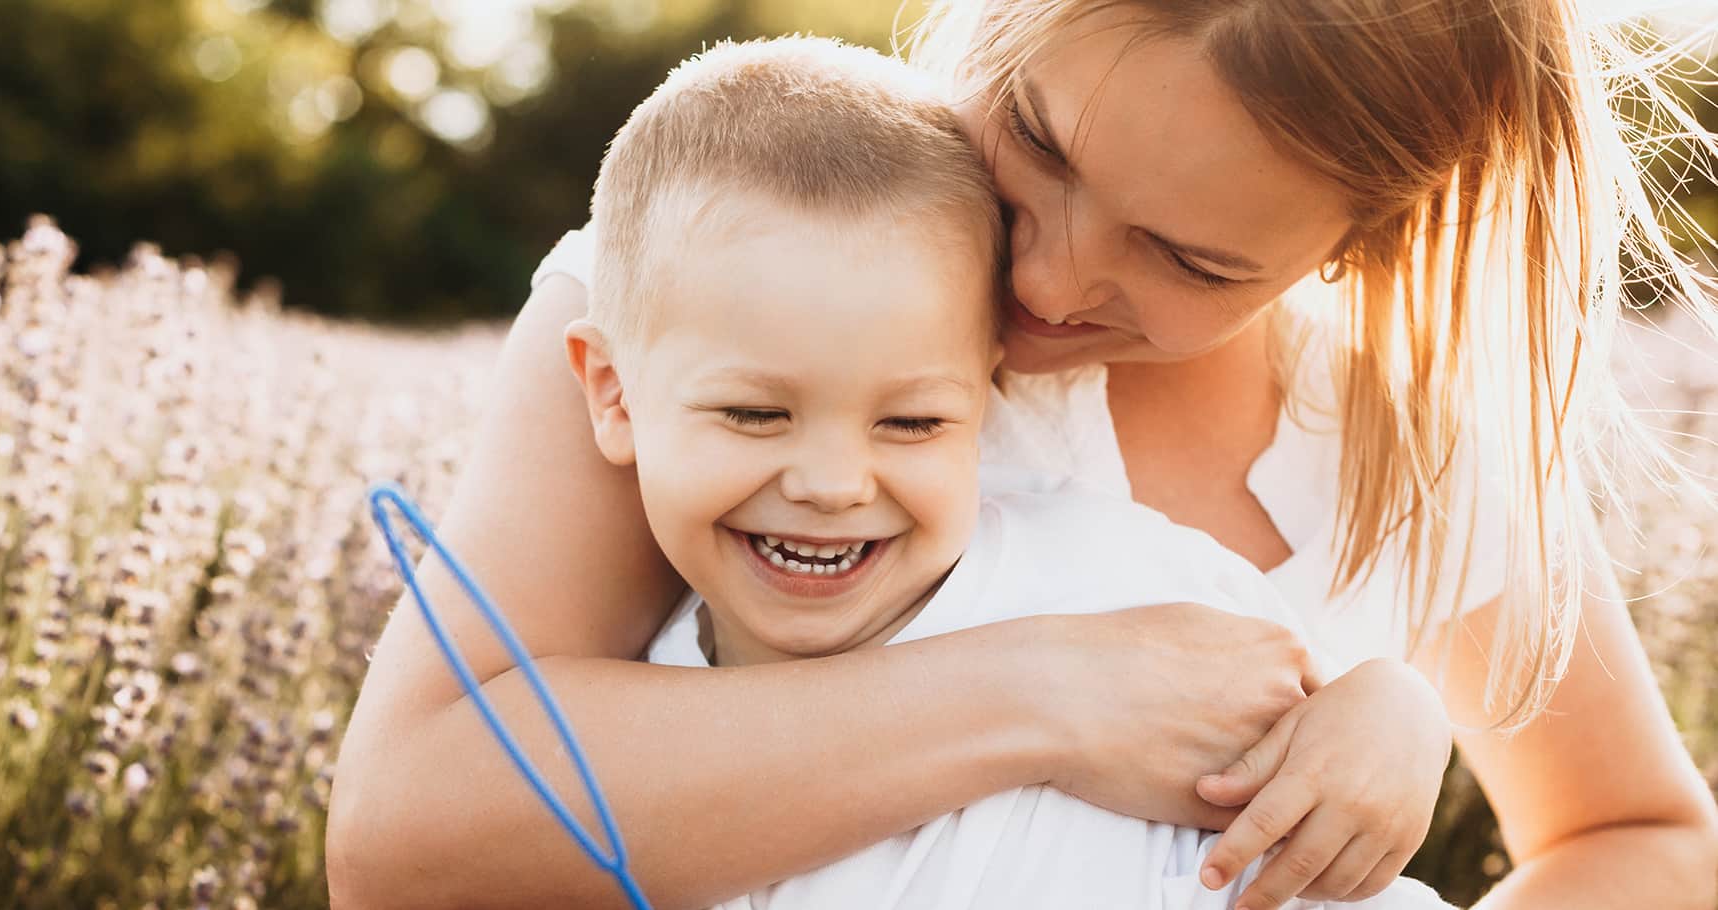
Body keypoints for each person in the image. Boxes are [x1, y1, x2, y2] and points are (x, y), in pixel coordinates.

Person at [326, 2, 1718, 909]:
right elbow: (411, 835)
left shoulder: (1393, 437)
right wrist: (1035, 691)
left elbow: (1643, 836)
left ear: (1359, 246)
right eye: (1041, 141)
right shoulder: (737, 274)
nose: (1047, 278)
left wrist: (1391, 707)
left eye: (1188, 257)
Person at [564, 34, 1451, 909]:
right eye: (755, 414)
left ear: (986, 390)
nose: (832, 484)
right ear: (614, 396)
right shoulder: (636, 724)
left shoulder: (1113, 573)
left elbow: (1318, 717)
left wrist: (1394, 711)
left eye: (912, 421)